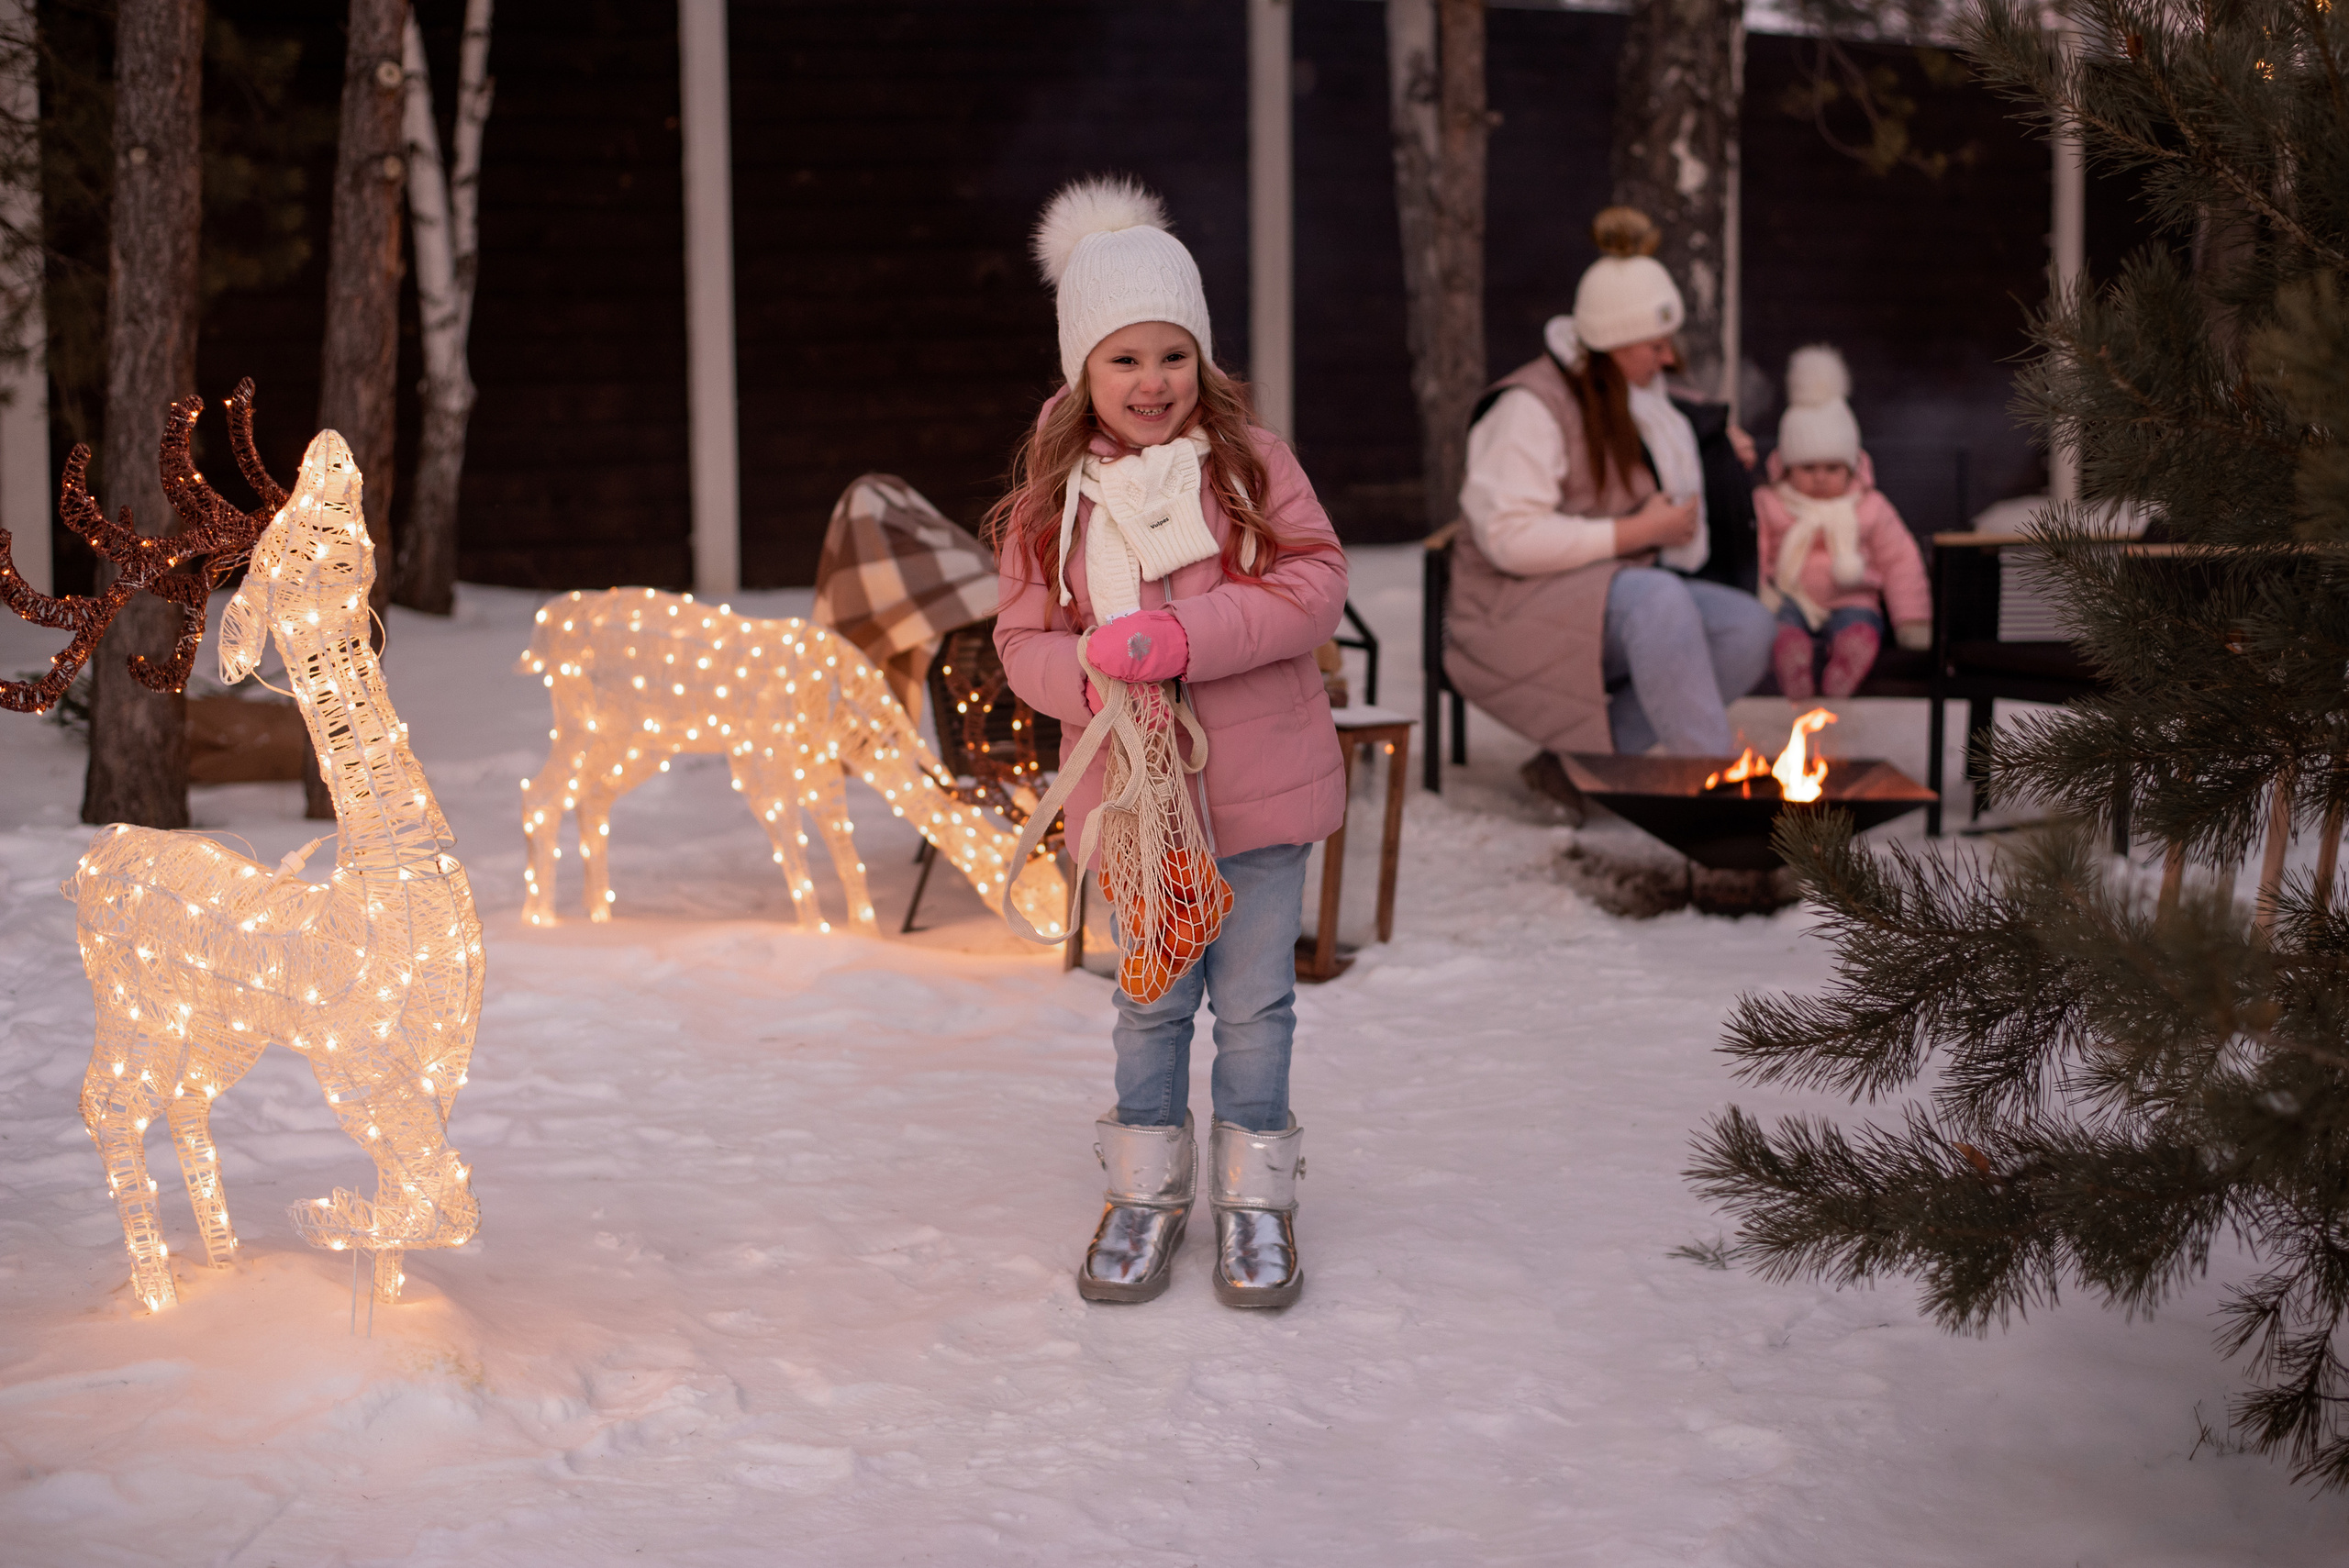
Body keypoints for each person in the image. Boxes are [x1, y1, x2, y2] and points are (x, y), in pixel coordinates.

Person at [991, 177, 1347, 1310]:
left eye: (1172, 355)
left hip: (1260, 791)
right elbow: (1021, 641)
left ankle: (1256, 1197)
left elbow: (1313, 584)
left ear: (1203, 359)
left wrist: (1185, 636)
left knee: (1254, 1006)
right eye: (1124, 359)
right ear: (1082, 370)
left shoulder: (1248, 465)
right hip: (1137, 807)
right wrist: (1095, 667)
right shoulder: (1053, 501)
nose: (1152, 382)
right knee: (1149, 1001)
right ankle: (1143, 1190)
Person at [1449, 207, 1775, 819]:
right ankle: (1722, 797)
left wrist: (1720, 453)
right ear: (1614, 344)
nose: (1667, 357)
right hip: (1507, 605)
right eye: (1655, 344)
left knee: (1746, 627)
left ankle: (1572, 768)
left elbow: (1676, 444)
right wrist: (1637, 532)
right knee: (1659, 601)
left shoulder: (1636, 396)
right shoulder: (1530, 407)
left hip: (1597, 591)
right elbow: (1508, 538)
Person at [1751, 345, 1931, 699]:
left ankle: (1847, 664)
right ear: (1786, 467)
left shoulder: (1871, 506)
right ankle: (1792, 662)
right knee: (1780, 626)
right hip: (1790, 598)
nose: (1820, 478)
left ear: (1851, 468)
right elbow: (1753, 553)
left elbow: (1900, 562)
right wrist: (1759, 596)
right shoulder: (1770, 503)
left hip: (1853, 599)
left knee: (1860, 626)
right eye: (1808, 468)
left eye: (1832, 468)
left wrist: (1912, 620)